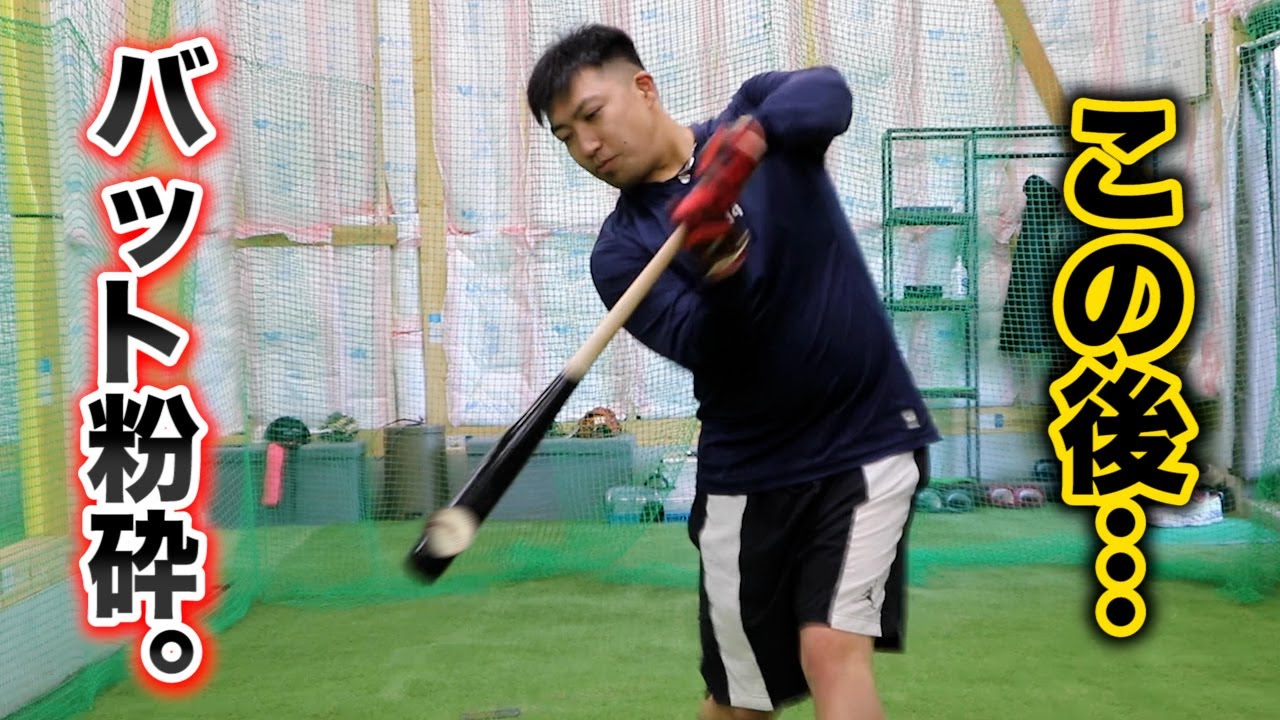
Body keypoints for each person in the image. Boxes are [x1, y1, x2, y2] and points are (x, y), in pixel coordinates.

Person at [526, 24, 942, 720]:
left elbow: (828, 94)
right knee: (739, 700)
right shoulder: (620, 254)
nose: (587, 146)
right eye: (567, 137)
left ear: (644, 88)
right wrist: (724, 267)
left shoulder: (752, 113)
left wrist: (747, 146)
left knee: (831, 648)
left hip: (866, 437)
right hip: (747, 474)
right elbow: (708, 346)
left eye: (592, 116)